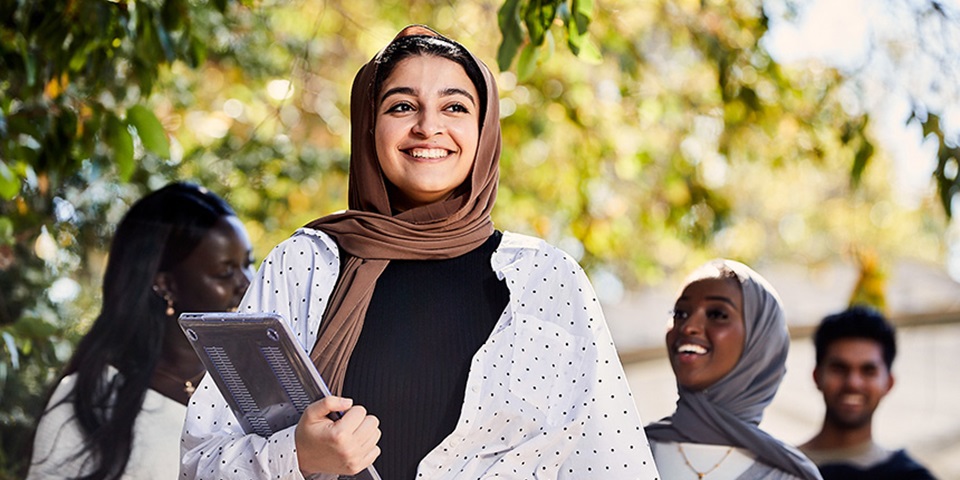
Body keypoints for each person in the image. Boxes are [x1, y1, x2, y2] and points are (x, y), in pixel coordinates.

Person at [180, 25, 659, 480]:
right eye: (402, 107)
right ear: (369, 126)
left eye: (454, 108)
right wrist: (296, 456)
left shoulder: (547, 279)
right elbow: (200, 462)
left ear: (484, 130)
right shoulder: (305, 264)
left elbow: (613, 462)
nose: (429, 127)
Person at [27, 182, 254, 480]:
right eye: (225, 272)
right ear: (165, 284)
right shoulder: (91, 399)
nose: (248, 283)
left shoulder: (259, 387)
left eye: (248, 263)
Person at [645, 259, 822, 479]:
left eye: (717, 314)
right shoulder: (625, 452)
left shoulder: (790, 475)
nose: (689, 326)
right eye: (680, 313)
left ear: (759, 342)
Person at [798, 306, 936, 479]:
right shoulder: (777, 469)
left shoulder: (911, 477)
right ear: (817, 376)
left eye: (868, 371)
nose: (853, 383)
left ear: (889, 383)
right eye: (839, 368)